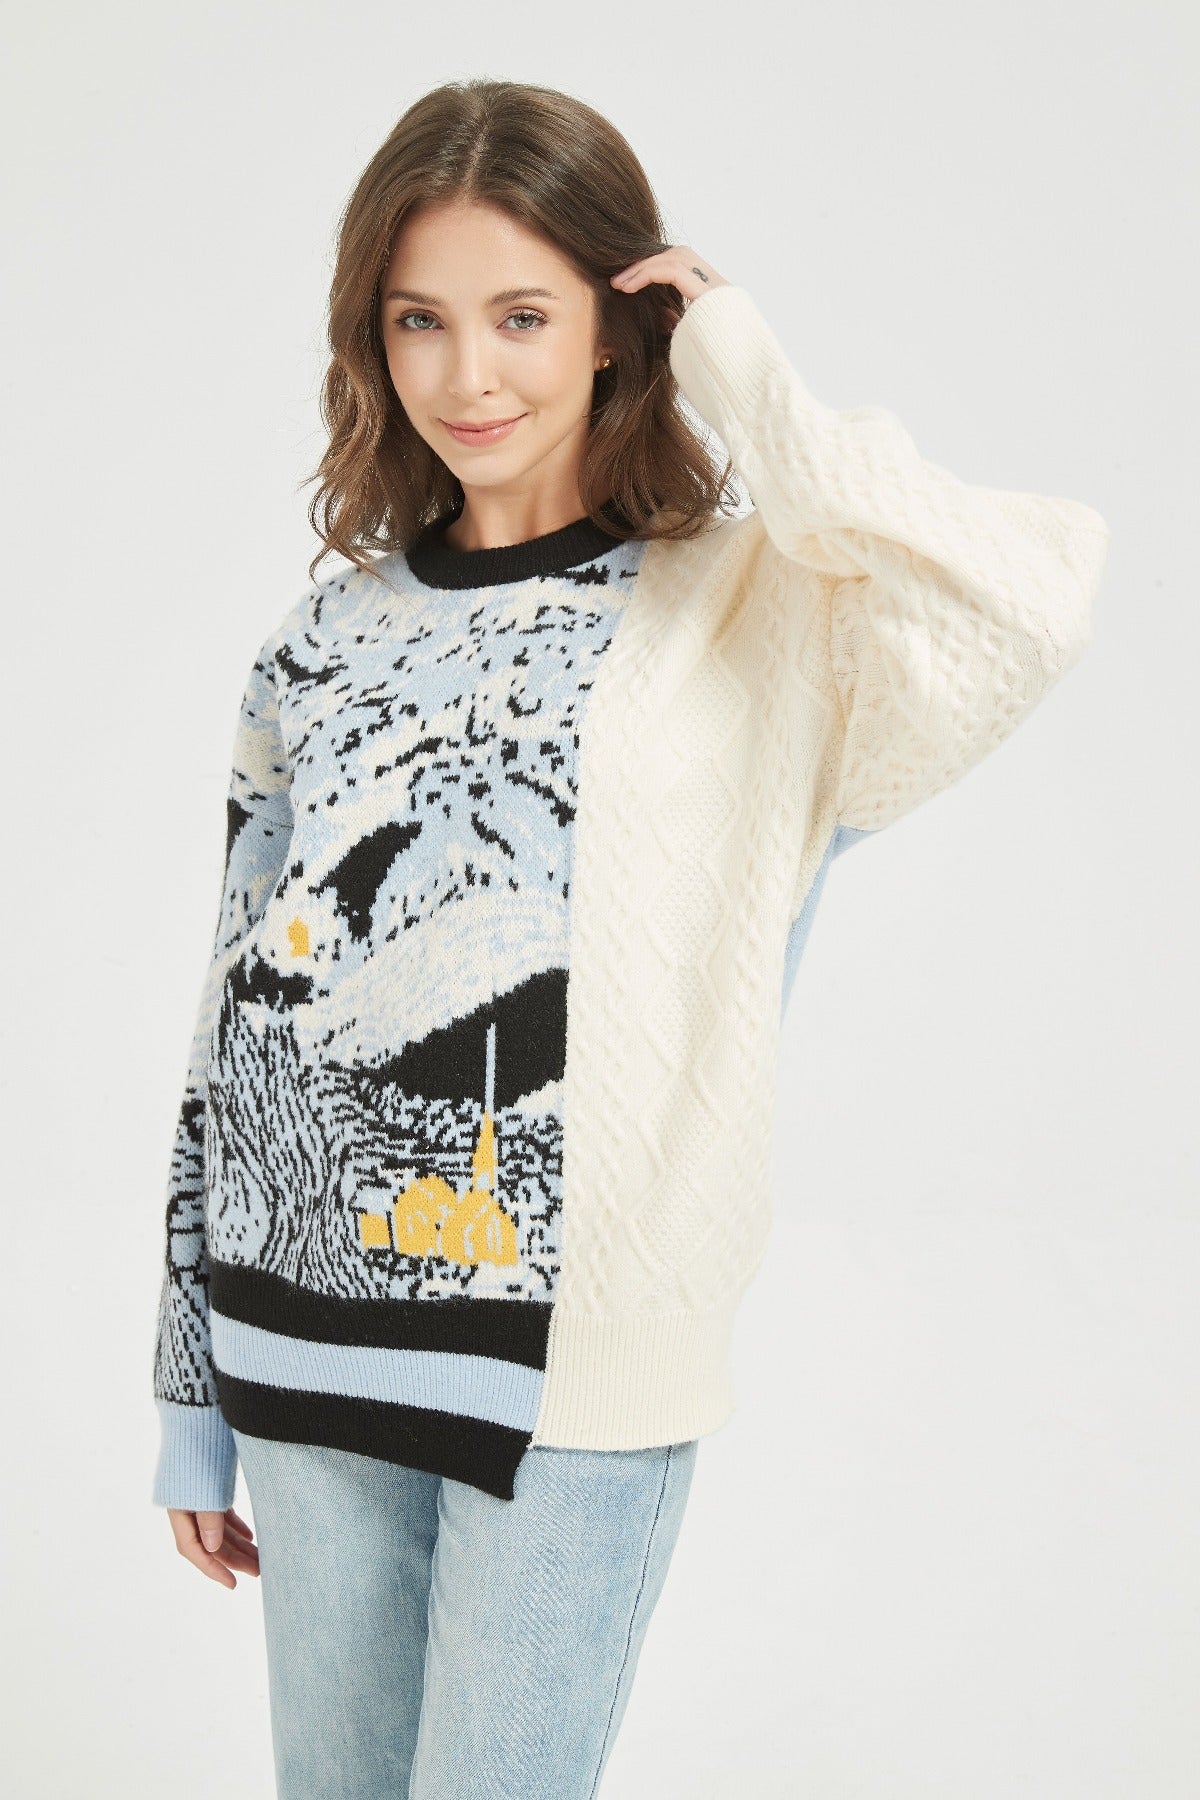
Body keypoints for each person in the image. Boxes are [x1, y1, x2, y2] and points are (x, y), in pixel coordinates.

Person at [150, 76, 1111, 1799]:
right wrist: (189, 1396)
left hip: (577, 1379)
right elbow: (233, 1029)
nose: (469, 374)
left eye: (523, 314)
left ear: (617, 321)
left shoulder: (759, 609)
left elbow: (1021, 601)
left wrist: (742, 361)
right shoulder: (324, 639)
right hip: (300, 1339)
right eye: (420, 320)